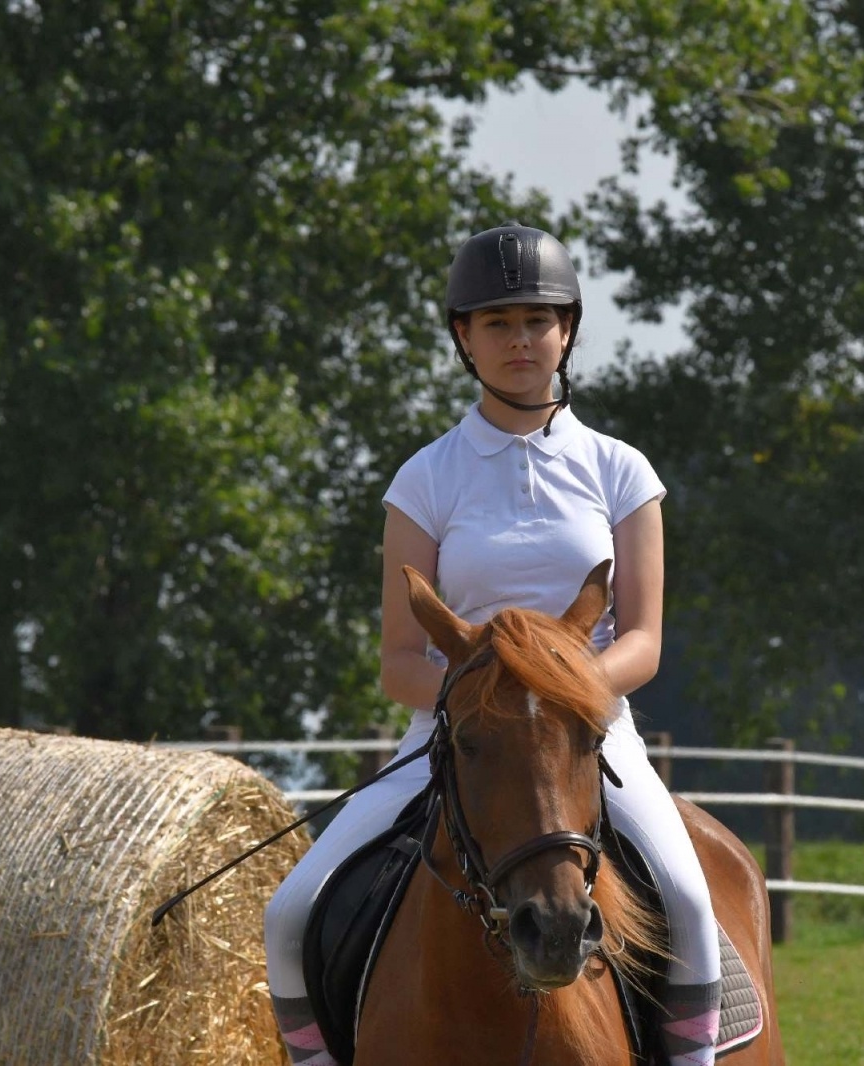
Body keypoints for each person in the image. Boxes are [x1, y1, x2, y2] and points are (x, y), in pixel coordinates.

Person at [262, 222, 720, 1066]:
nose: (521, 340)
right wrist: (489, 702)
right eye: (498, 323)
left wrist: (557, 691)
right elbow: (402, 658)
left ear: (568, 332)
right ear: (464, 338)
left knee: (691, 902)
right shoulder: (426, 478)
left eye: (538, 321)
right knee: (289, 909)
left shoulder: (623, 470)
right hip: (457, 737)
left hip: (594, 737)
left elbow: (645, 639)